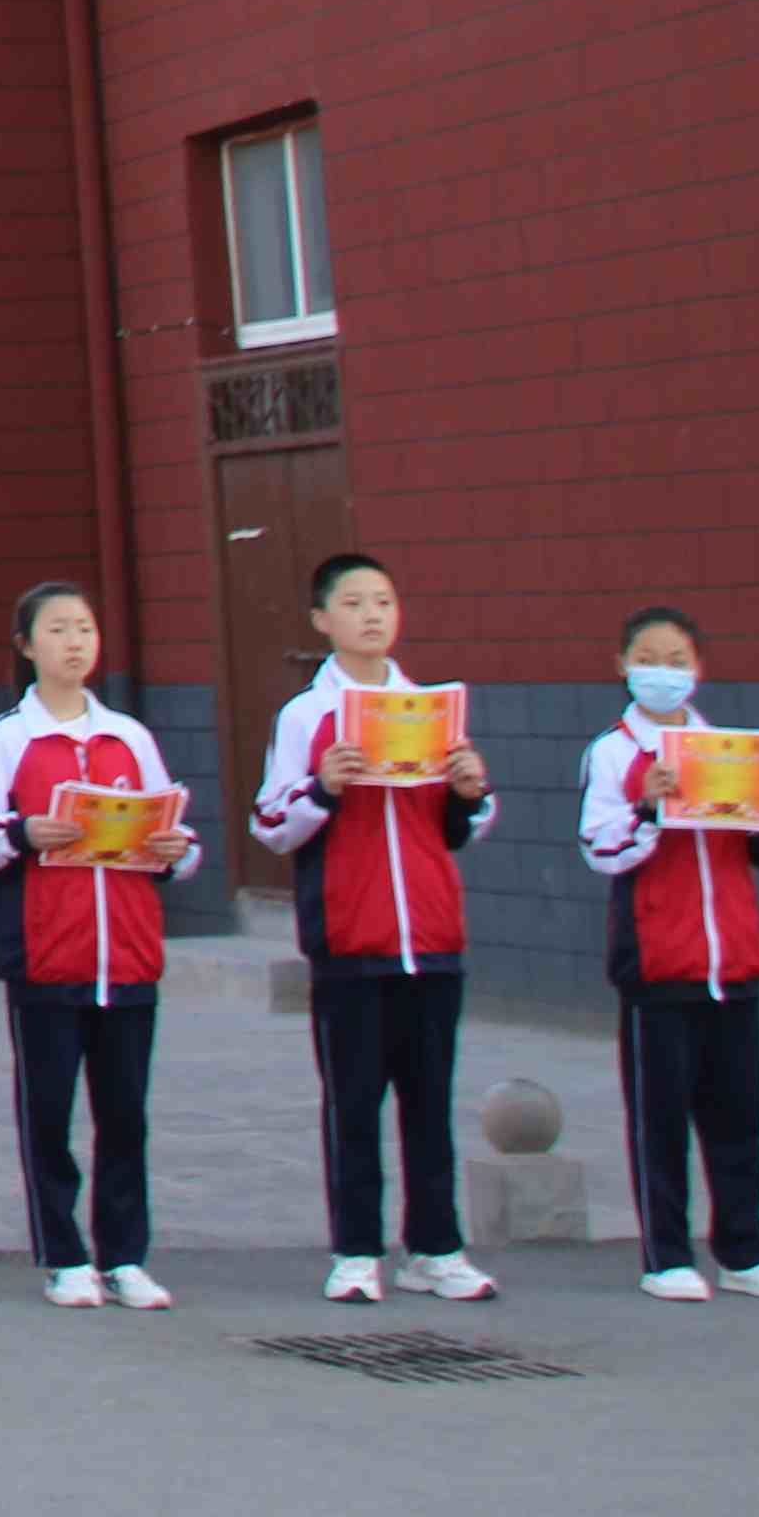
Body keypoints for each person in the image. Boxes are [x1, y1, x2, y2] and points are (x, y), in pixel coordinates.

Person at [251, 546, 499, 1304]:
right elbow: (271, 824)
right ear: (322, 620)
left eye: (384, 603)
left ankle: (436, 1247)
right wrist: (323, 787)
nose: (372, 616)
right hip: (351, 939)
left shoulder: (430, 708)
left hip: (430, 936)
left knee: (430, 1102)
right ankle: (356, 1250)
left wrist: (467, 789)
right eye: (355, 604)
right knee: (354, 1101)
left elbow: (465, 827)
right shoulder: (306, 715)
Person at [0, 580, 188, 1308]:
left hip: (129, 954)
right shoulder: (8, 738)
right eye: (57, 630)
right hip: (49, 953)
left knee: (126, 1114)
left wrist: (172, 845)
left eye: (85, 628)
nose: (75, 642)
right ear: (25, 647)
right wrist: (24, 833)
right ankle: (63, 1252)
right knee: (48, 1111)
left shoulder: (128, 737)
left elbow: (175, 835)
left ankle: (125, 1254)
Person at [583, 601, 759, 1304]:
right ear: (622, 666)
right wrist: (647, 808)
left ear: (700, 671)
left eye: (678, 660)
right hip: (660, 963)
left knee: (739, 1115)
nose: (664, 672)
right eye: (649, 658)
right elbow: (601, 848)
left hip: (734, 961)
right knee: (662, 1119)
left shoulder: (731, 750)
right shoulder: (616, 751)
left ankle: (745, 1250)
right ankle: (667, 1256)